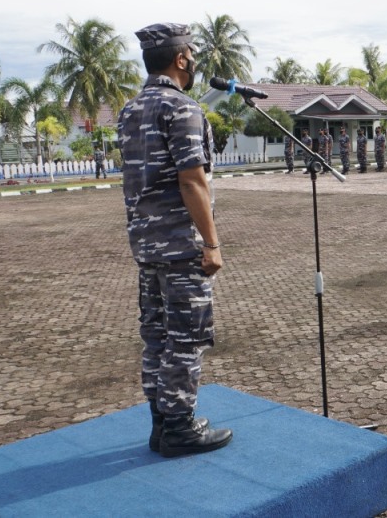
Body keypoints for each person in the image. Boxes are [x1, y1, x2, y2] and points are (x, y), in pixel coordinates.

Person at [117, 23, 232, 457]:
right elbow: (192, 181)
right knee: (185, 339)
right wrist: (212, 243)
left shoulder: (131, 109)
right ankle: (181, 428)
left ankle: (161, 424)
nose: (196, 60)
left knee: (157, 337)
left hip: (146, 245)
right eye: (193, 53)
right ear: (181, 59)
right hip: (182, 248)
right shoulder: (181, 108)